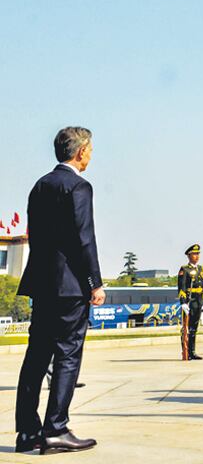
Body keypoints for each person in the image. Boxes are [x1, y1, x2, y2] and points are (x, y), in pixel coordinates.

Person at [16, 126, 103, 454]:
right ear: (80, 152)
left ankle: (27, 432)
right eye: (91, 150)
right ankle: (56, 429)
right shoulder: (79, 186)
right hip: (69, 289)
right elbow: (84, 238)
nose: (91, 155)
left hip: (43, 284)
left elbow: (37, 237)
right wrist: (95, 282)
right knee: (67, 354)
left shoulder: (40, 185)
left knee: (36, 356)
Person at [178, 244, 203, 360]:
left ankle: (193, 351)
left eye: (198, 254)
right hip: (190, 300)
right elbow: (182, 287)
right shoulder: (184, 269)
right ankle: (186, 351)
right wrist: (183, 302)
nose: (197, 256)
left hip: (198, 300)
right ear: (189, 256)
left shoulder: (201, 269)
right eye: (194, 254)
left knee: (194, 327)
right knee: (187, 328)